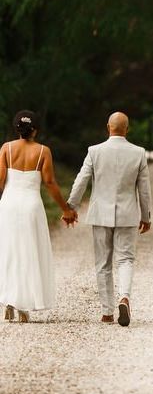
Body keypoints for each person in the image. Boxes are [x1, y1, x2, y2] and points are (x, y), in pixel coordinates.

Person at [67, 112, 151, 326]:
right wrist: (146, 215)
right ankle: (124, 297)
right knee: (126, 260)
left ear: (108, 127)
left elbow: (81, 181)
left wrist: (71, 207)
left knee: (103, 263)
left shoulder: (94, 151)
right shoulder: (138, 153)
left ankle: (107, 312)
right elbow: (144, 190)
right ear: (127, 129)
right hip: (128, 215)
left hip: (100, 214)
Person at [0, 110, 77, 323]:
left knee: (9, 251)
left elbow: (0, 181)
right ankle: (24, 305)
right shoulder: (43, 151)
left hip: (8, 205)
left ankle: (9, 301)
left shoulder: (6, 149)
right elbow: (50, 183)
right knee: (28, 251)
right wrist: (66, 209)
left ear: (16, 128)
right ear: (35, 129)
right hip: (30, 206)